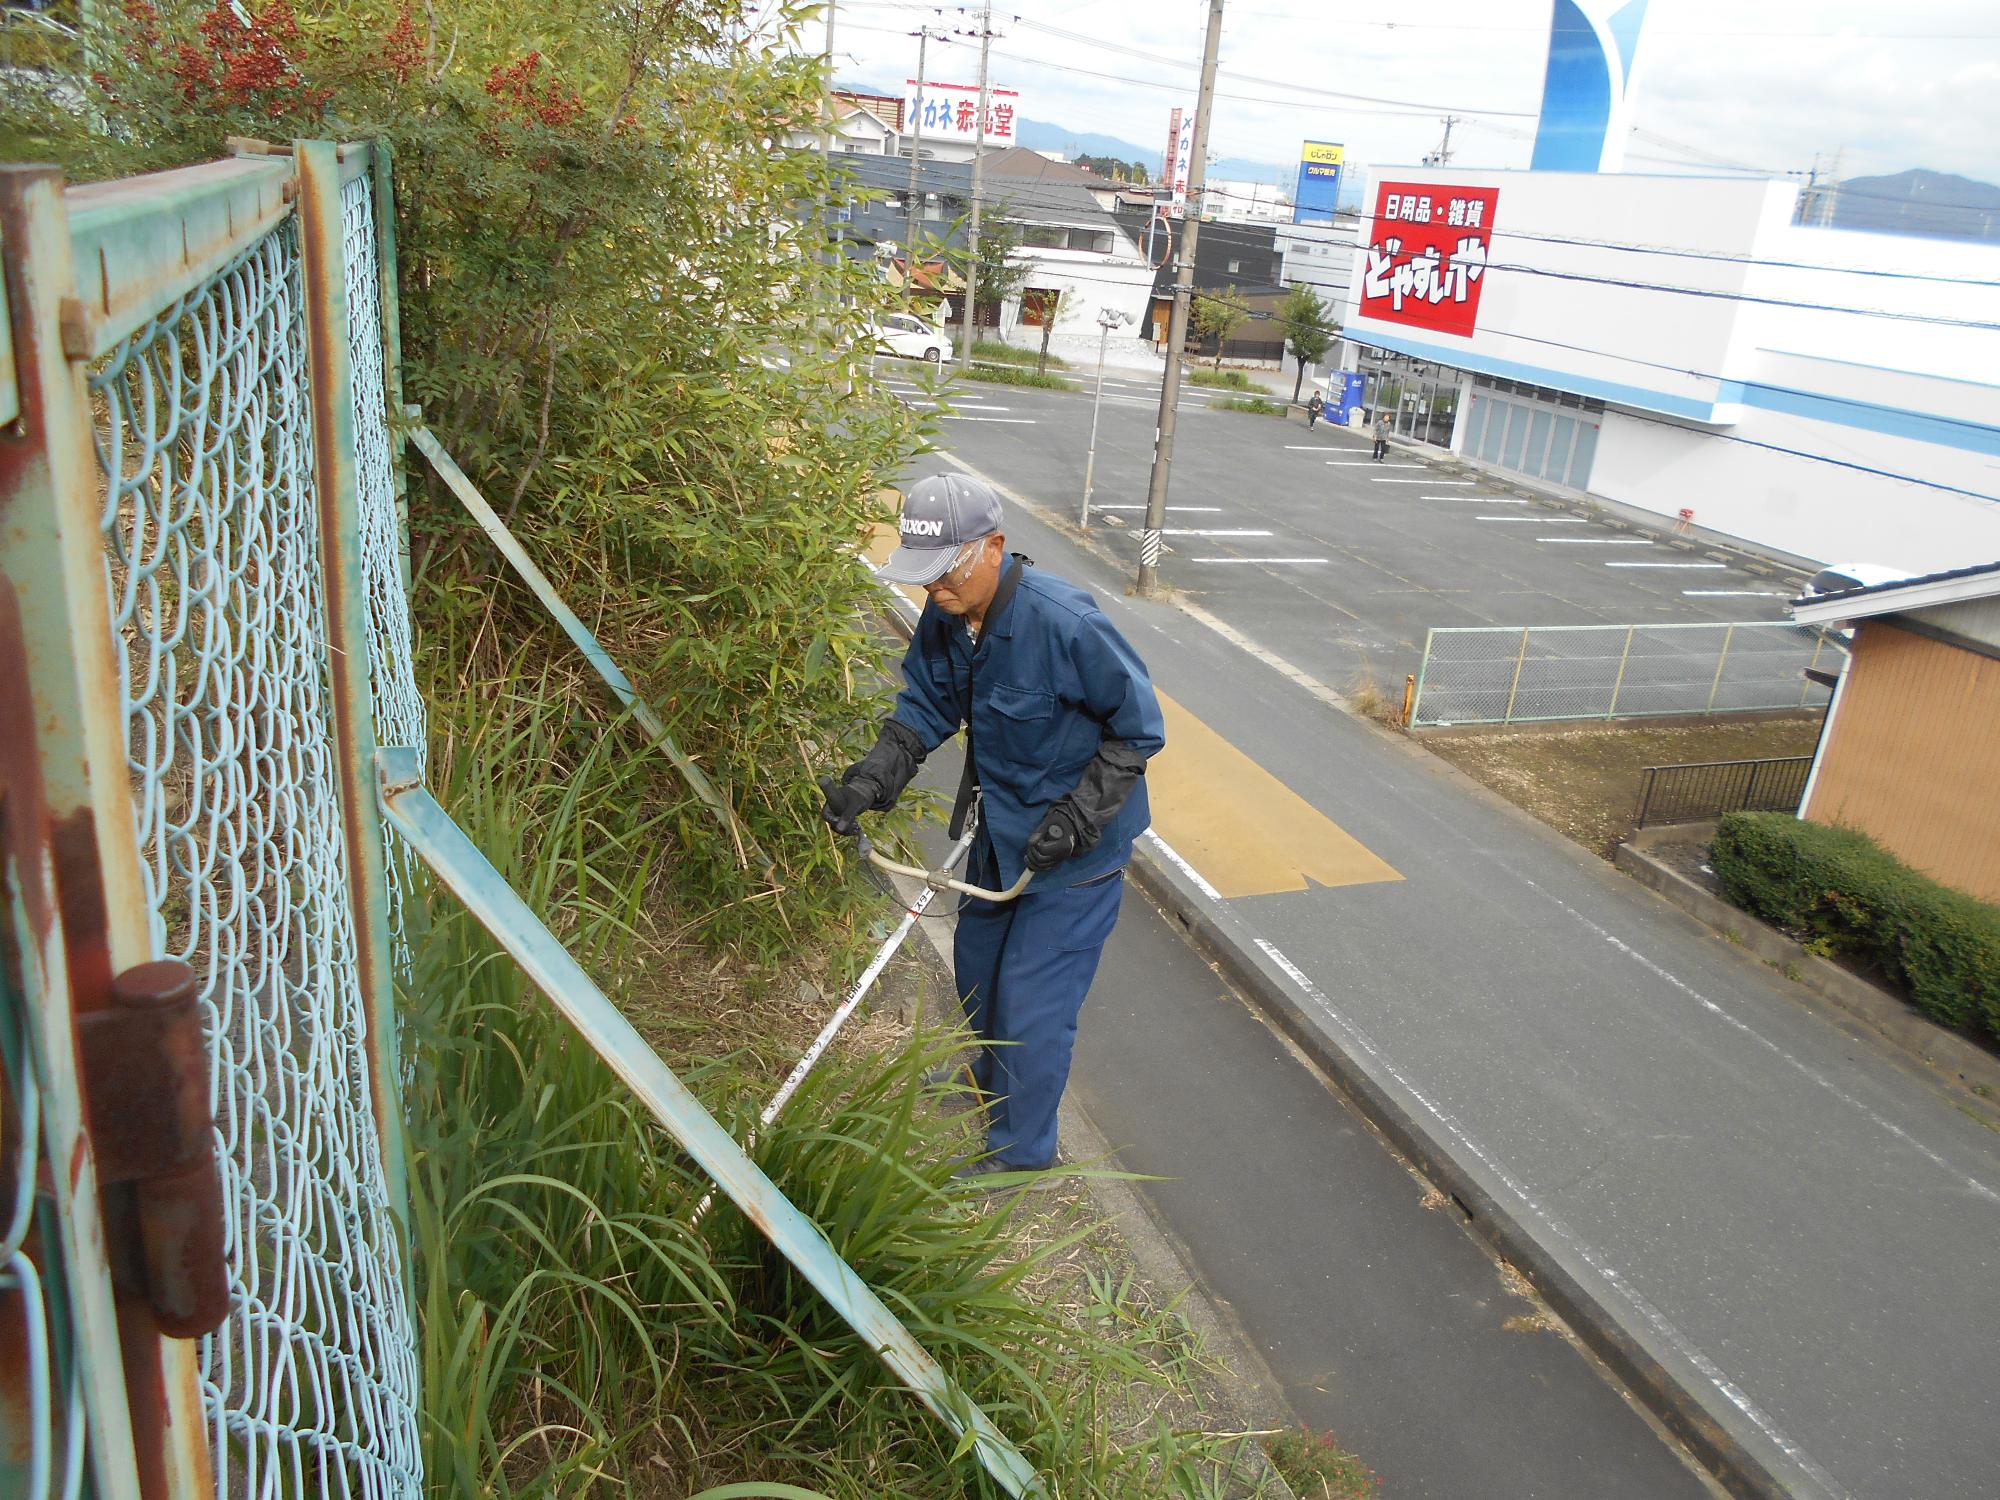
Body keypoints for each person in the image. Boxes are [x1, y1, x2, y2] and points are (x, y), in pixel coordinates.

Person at [822, 474, 1165, 1181]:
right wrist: (871, 778)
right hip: (1001, 833)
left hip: (1076, 853)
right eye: (922, 577)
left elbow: (1138, 730)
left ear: (993, 548)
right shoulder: (948, 617)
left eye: (942, 572)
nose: (932, 592)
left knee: (1035, 1006)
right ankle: (988, 1080)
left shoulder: (1063, 621)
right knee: (979, 975)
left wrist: (1076, 817)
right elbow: (925, 705)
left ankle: (1021, 1150)